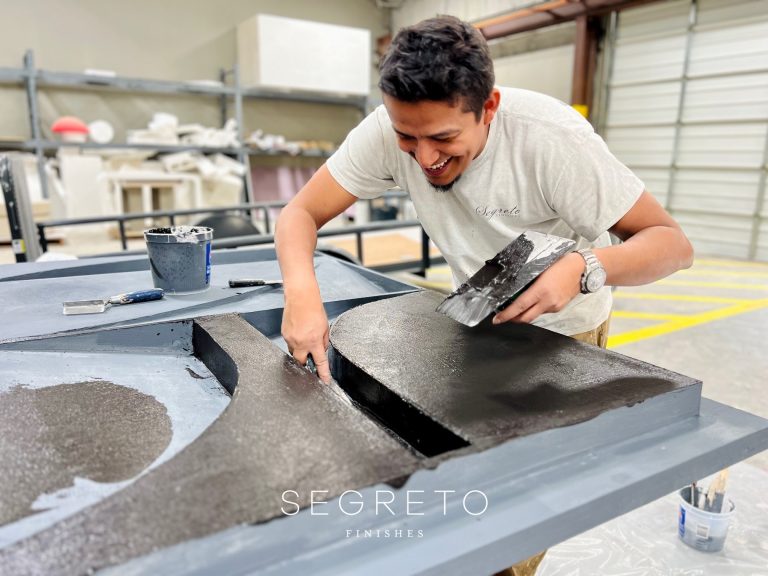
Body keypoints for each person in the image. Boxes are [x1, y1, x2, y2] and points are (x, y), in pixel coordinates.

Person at [276, 14, 693, 385]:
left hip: (565, 334)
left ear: (489, 107)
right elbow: (301, 213)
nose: (425, 158)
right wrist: (302, 295)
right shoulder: (386, 128)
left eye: (443, 137)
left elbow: (672, 244)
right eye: (407, 137)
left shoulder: (553, 140)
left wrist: (582, 268)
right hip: (474, 318)